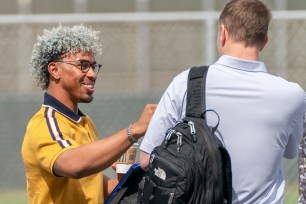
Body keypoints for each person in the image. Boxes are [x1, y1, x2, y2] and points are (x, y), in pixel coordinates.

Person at [139, 0, 306, 203]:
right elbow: (290, 152)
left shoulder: (187, 83)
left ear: (223, 33)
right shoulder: (292, 95)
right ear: (265, 41)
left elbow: (147, 160)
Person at [21, 24, 157, 204]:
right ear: (54, 70)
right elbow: (73, 165)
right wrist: (134, 131)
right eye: (83, 65)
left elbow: (95, 190)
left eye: (93, 66)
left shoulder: (85, 123)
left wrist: (125, 177)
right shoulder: (46, 123)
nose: (92, 74)